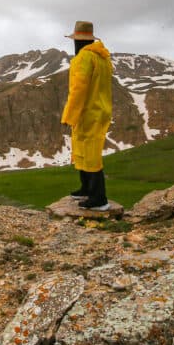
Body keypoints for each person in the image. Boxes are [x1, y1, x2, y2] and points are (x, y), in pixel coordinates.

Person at [61, 20, 113, 211]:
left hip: (88, 110)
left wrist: (69, 114)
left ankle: (99, 198)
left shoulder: (83, 58)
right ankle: (86, 189)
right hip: (100, 108)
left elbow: (79, 89)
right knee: (84, 147)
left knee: (90, 152)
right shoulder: (102, 57)